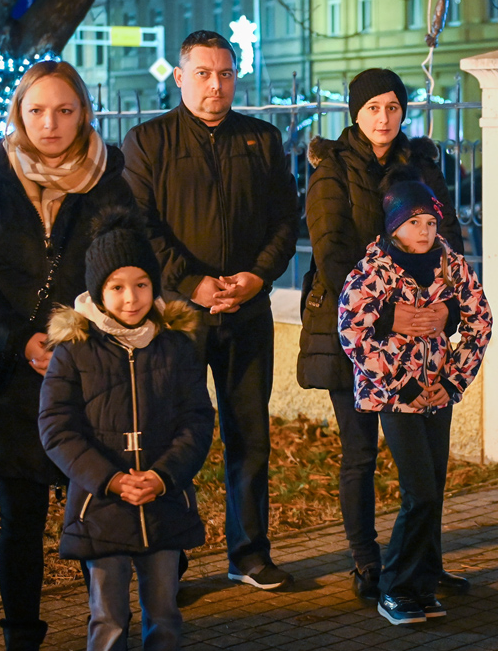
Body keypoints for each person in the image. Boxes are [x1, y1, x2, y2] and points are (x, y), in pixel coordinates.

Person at [0, 60, 136, 650]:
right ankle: (21, 636)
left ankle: (108, 631)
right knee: (20, 519)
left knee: (97, 511)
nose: (49, 124)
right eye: (36, 111)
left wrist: (80, 335)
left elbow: (128, 270)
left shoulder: (109, 180)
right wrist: (16, 337)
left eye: (63, 110)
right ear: (19, 114)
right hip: (12, 376)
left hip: (89, 373)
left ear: (83, 113)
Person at [122, 30, 300, 590]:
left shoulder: (262, 139)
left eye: (225, 74)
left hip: (247, 313)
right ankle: (170, 561)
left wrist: (257, 276)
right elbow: (142, 226)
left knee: (250, 436)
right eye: (203, 73)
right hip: (177, 317)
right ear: (180, 77)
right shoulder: (148, 141)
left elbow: (285, 219)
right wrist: (191, 283)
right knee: (172, 437)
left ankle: (249, 554)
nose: (215, 85)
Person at [299, 68, 467, 603]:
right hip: (353, 333)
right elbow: (332, 253)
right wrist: (387, 313)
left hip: (421, 339)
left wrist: (446, 307)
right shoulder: (332, 170)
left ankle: (425, 562)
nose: (384, 117)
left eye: (393, 106)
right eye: (373, 107)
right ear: (356, 112)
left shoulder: (421, 165)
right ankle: (367, 561)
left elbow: (449, 238)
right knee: (360, 451)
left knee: (428, 461)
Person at [39, 207, 214, 651]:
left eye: (141, 284)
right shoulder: (75, 350)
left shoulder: (176, 345)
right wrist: (111, 480)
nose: (131, 298)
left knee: (165, 614)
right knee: (109, 618)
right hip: (101, 507)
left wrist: (162, 476)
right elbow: (57, 427)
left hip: (163, 501)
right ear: (98, 292)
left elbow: (196, 419)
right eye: (117, 287)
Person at [338, 180, 492, 625]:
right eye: (412, 222)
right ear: (393, 227)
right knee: (419, 492)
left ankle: (422, 586)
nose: (423, 231)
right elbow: (353, 333)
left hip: (438, 393)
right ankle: (395, 589)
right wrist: (402, 384)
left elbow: (480, 321)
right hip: (395, 397)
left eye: (429, 222)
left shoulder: (450, 264)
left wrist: (453, 379)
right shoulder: (374, 270)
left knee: (433, 491)